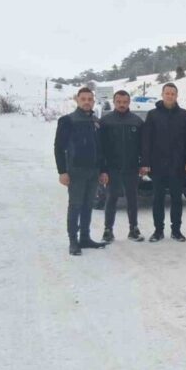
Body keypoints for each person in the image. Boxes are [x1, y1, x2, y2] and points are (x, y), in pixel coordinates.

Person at [54, 87, 109, 256]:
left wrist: (103, 170)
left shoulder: (96, 121)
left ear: (93, 101)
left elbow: (102, 149)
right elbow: (59, 148)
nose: (86, 101)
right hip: (76, 171)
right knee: (75, 206)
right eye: (83, 98)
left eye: (89, 99)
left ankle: (85, 238)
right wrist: (62, 171)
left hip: (93, 171)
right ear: (77, 100)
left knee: (88, 206)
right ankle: (73, 241)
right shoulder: (67, 120)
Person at [141, 83, 186, 243]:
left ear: (176, 96)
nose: (170, 96)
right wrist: (146, 162)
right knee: (157, 199)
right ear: (162, 94)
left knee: (176, 199)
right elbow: (146, 140)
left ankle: (176, 231)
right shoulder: (152, 115)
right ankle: (158, 231)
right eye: (167, 93)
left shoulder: (184, 115)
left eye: (173, 93)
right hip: (157, 165)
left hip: (177, 166)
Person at [99, 90, 145, 242]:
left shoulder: (137, 121)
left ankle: (133, 229)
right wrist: (103, 169)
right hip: (113, 168)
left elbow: (143, 146)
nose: (122, 105)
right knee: (111, 198)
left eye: (125, 102)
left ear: (129, 102)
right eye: (119, 102)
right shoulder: (105, 122)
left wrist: (143, 164)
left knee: (132, 199)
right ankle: (108, 230)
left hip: (131, 168)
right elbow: (101, 148)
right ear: (114, 102)